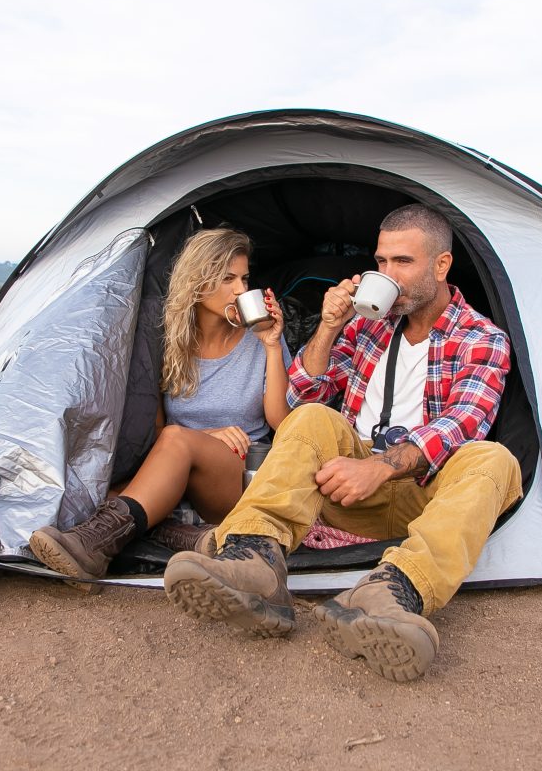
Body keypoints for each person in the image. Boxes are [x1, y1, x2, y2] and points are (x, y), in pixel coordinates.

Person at [162, 204, 522, 682]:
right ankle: (255, 561)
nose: (386, 275)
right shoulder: (368, 323)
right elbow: (300, 393)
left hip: (427, 496)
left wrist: (381, 467)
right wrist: (329, 326)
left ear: (441, 266)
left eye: (403, 262)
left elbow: (462, 424)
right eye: (382, 262)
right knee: (312, 417)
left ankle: (392, 593)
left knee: (495, 460)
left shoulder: (482, 338)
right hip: (346, 493)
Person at [29, 227, 291, 588]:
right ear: (197, 283)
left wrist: (274, 346)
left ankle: (91, 546)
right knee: (102, 494)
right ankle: (187, 536)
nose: (241, 290)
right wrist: (203, 435)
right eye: (227, 278)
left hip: (238, 473)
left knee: (175, 442)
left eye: (244, 278)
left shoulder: (260, 340)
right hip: (177, 466)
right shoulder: (166, 342)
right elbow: (153, 431)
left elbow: (282, 421)